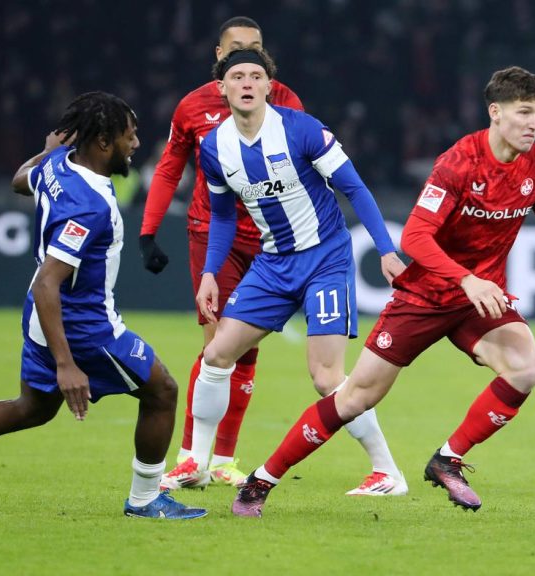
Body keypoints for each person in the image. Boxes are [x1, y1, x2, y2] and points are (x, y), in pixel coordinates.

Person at [231, 66, 535, 518]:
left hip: (477, 300)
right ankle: (260, 481)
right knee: (354, 398)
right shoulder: (458, 163)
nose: (533, 123)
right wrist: (465, 277)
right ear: (495, 112)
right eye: (524, 112)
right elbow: (416, 237)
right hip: (425, 297)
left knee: (524, 367)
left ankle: (447, 460)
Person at [0, 92, 206, 520]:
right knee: (162, 391)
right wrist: (67, 365)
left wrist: (47, 152)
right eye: (130, 135)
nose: (137, 143)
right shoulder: (89, 207)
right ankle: (145, 500)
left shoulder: (57, 164)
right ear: (103, 143)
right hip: (84, 326)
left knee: (30, 409)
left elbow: (19, 180)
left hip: (42, 324)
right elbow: (47, 283)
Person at [184, 48, 409, 497]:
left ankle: (387, 471)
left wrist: (386, 250)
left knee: (327, 377)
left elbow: (354, 188)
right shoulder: (214, 148)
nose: (246, 83)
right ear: (222, 87)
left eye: (255, 76)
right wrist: (210, 272)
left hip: (324, 258)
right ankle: (197, 465)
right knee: (215, 357)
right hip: (272, 264)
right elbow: (224, 216)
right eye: (237, 76)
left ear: (269, 86)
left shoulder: (301, 130)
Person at [139, 16, 305, 490]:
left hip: (272, 241)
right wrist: (149, 232)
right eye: (237, 50)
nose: (247, 60)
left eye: (256, 50)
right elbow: (170, 170)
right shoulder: (192, 107)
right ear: (218, 56)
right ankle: (192, 458)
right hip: (212, 235)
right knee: (218, 348)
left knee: (243, 350)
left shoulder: (286, 101)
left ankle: (222, 460)